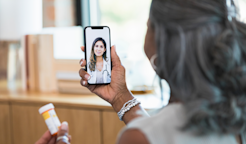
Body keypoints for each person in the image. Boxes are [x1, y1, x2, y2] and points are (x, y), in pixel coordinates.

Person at [37, 0, 246, 143]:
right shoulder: (236, 115)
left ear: (161, 41)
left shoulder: (136, 138)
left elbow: (156, 134)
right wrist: (120, 96)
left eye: (148, 25)